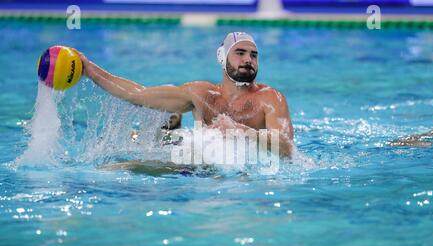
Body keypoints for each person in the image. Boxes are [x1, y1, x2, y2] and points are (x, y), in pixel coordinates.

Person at [75, 32, 294, 157]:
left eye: (254, 55)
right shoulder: (201, 94)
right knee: (117, 168)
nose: (248, 60)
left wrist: (240, 131)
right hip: (199, 168)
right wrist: (89, 70)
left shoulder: (271, 98)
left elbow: (286, 147)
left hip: (247, 176)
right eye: (240, 53)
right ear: (222, 58)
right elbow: (137, 94)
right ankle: (168, 128)